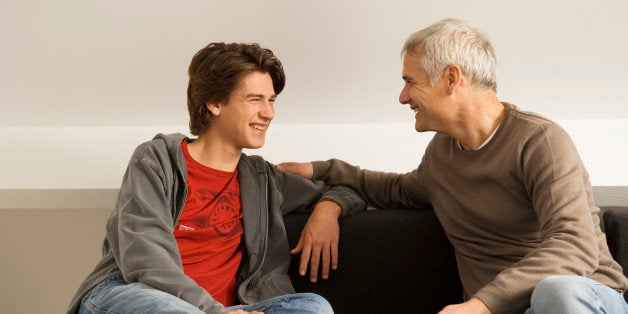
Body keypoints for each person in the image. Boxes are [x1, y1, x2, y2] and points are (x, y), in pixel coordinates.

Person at [276, 18, 628, 314]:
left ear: (451, 78)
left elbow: (574, 245)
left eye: (409, 81)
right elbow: (394, 190)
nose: (402, 97)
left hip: (582, 300)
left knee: (556, 293)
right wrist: (320, 171)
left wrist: (480, 305)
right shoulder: (442, 155)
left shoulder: (539, 141)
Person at [67, 42, 365, 314]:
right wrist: (212, 311)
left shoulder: (263, 180)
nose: (268, 113)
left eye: (272, 100)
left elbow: (351, 190)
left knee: (313, 307)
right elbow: (145, 258)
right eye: (255, 99)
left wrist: (328, 210)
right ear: (215, 103)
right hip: (136, 295)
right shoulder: (156, 160)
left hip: (228, 308)